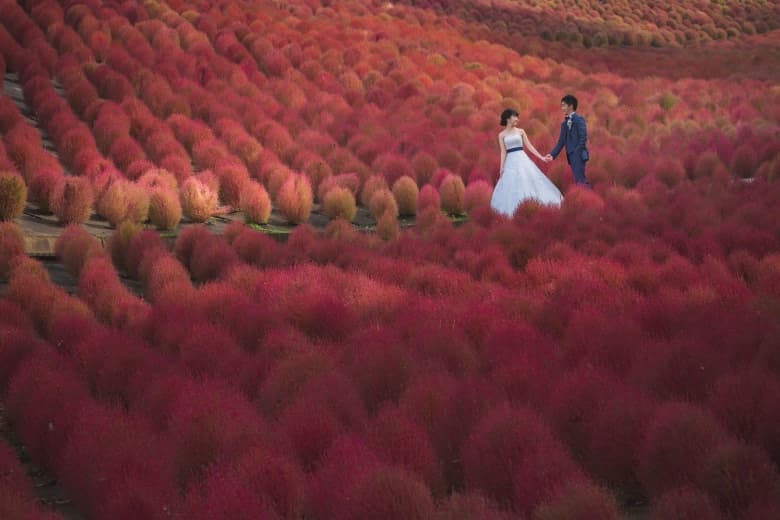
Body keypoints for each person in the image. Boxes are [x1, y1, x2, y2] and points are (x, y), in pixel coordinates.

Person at [490, 108, 563, 216]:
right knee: (511, 185)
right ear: (508, 118)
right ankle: (514, 211)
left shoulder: (521, 131)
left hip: (522, 159)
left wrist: (541, 157)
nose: (517, 119)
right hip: (510, 162)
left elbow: (529, 146)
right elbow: (503, 152)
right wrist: (501, 168)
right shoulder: (501, 135)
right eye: (515, 117)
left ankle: (532, 205)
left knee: (529, 180)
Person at [543, 94, 590, 187]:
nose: (562, 108)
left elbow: (583, 138)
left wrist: (577, 152)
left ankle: (587, 197)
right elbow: (561, 142)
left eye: (564, 105)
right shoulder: (564, 124)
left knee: (580, 181)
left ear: (571, 106)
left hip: (579, 155)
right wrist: (552, 155)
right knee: (578, 180)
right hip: (571, 157)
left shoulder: (579, 120)